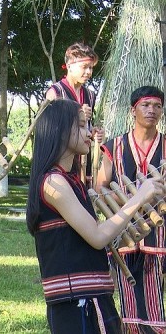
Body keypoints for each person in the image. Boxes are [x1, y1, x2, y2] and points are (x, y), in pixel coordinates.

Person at [26, 99, 164, 333]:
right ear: (59, 131)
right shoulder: (53, 182)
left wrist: (126, 231)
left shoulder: (71, 181)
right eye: (81, 125)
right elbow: (97, 237)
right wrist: (139, 197)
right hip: (77, 302)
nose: (89, 132)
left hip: (92, 296)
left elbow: (92, 238)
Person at [96, 86, 166, 332]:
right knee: (128, 299)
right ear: (132, 110)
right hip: (124, 234)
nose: (152, 110)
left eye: (157, 106)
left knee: (155, 296)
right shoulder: (114, 146)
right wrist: (127, 199)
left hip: (159, 236)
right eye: (146, 105)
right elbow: (99, 186)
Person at [46, 42, 100, 186]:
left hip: (83, 164)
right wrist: (78, 114)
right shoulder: (55, 92)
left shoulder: (90, 95)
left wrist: (93, 133)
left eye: (91, 68)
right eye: (84, 67)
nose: (88, 72)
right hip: (60, 162)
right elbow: (49, 130)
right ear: (69, 65)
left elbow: (86, 128)